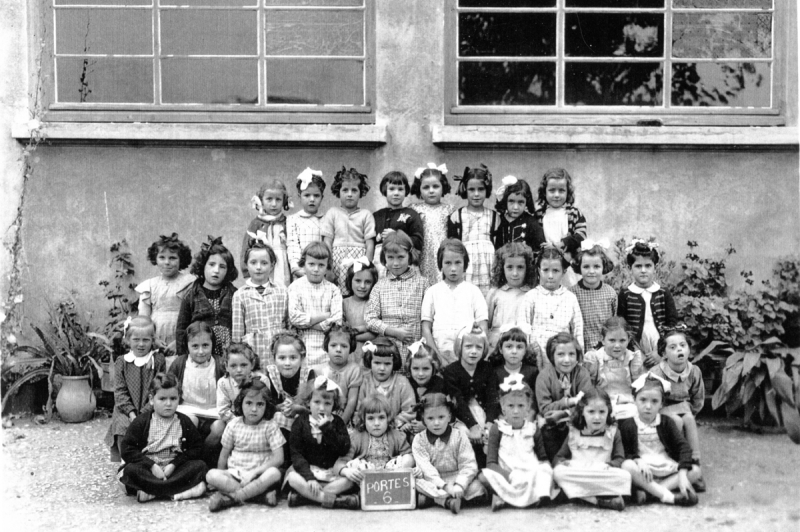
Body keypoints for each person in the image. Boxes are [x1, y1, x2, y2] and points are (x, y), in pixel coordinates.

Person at [118, 373, 207, 503]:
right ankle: (178, 492)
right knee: (130, 471)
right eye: (162, 399)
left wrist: (174, 464)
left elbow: (197, 448)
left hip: (174, 469)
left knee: (200, 466)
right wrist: (152, 466)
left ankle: (153, 492)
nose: (168, 404)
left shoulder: (184, 421)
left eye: (173, 398)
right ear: (151, 399)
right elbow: (127, 449)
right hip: (149, 469)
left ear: (179, 399)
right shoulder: (141, 422)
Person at [619, 373, 700, 506]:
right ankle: (668, 496)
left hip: (665, 466)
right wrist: (637, 459)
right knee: (627, 465)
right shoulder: (628, 424)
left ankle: (649, 493)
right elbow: (625, 451)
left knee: (695, 471)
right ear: (634, 400)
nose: (648, 406)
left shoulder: (666, 422)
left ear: (662, 403)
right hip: (644, 470)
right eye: (643, 400)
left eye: (654, 401)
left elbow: (683, 447)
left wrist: (682, 474)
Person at [205, 379, 285, 511]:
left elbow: (278, 458)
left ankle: (233, 498)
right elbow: (224, 455)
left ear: (267, 406)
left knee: (274, 473)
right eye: (248, 403)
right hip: (236, 476)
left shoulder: (270, 425)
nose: (254, 409)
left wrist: (254, 473)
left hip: (260, 475)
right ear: (240, 403)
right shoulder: (234, 424)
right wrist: (221, 477)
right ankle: (259, 496)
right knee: (211, 475)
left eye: (260, 404)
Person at [479, 377, 553, 510]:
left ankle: (535, 497)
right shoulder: (498, 429)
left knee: (545, 469)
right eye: (510, 406)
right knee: (484, 476)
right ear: (503, 408)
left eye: (521, 406)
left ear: (528, 408)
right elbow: (491, 463)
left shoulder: (532, 429)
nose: (516, 411)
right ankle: (503, 496)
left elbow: (542, 457)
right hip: (508, 474)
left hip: (529, 472)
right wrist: (510, 476)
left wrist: (546, 470)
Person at [552, 388, 632, 511]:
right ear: (582, 411)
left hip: (601, 473)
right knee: (558, 472)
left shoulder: (613, 432)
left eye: (602, 412)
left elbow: (620, 458)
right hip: (579, 472)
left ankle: (576, 494)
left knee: (625, 476)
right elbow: (559, 457)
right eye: (591, 412)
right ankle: (597, 500)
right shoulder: (574, 431)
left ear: (608, 411)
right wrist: (564, 463)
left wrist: (609, 465)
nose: (597, 417)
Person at [285, 376, 359, 509]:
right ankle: (336, 502)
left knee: (350, 481)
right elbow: (297, 455)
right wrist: (309, 478)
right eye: (316, 402)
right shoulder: (300, 423)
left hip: (332, 474)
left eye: (327, 403)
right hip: (309, 473)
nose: (321, 408)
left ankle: (307, 497)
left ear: (334, 405)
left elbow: (344, 448)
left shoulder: (337, 422)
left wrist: (327, 429)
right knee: (292, 477)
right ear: (308, 402)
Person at [651, 327, 706, 491]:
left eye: (683, 345)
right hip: (664, 407)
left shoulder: (694, 371)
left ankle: (695, 463)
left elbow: (698, 397)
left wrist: (692, 412)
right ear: (664, 353)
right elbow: (653, 398)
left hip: (685, 406)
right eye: (672, 347)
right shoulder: (657, 372)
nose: (679, 350)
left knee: (688, 419)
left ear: (689, 349)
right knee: (676, 421)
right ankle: (677, 461)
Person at [105, 316, 167, 462]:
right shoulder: (122, 362)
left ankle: (148, 460)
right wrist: (132, 413)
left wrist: (144, 412)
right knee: (122, 425)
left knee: (152, 426)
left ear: (153, 340)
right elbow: (120, 391)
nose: (141, 344)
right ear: (127, 340)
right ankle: (126, 461)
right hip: (126, 409)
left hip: (150, 408)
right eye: (136, 339)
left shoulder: (157, 360)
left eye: (146, 340)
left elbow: (158, 389)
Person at [412, 393, 486, 514]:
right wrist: (446, 487)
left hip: (457, 477)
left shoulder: (459, 436)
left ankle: (436, 499)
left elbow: (468, 464)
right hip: (434, 481)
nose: (436, 423)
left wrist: (460, 485)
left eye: (441, 417)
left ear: (449, 416)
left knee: (477, 487)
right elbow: (426, 469)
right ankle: (447, 500)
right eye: (430, 418)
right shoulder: (419, 440)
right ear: (423, 418)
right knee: (416, 481)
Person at [421, 239, 489, 366]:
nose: (453, 268)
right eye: (447, 263)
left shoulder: (473, 291)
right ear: (440, 265)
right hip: (439, 354)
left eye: (458, 262)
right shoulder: (432, 292)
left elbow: (482, 325)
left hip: (468, 355)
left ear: (465, 264)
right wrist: (438, 358)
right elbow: (426, 328)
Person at [365, 230, 429, 359]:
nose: (395, 263)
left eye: (400, 257)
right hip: (388, 355)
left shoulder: (423, 284)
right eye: (390, 258)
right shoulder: (379, 287)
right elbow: (370, 319)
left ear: (409, 256)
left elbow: (429, 318)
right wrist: (393, 331)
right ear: (384, 257)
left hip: (415, 354)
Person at [442, 323, 499, 467]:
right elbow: (458, 401)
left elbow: (493, 398)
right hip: (462, 417)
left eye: (478, 347)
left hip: (486, 415)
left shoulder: (487, 368)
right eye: (468, 347)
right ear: (460, 347)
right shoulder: (451, 371)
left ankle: (489, 468)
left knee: (492, 435)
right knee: (464, 436)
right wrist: (473, 426)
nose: (473, 351)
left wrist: (490, 423)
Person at [516, 246, 585, 363]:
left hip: (564, 357)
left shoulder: (570, 298)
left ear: (563, 271)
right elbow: (523, 328)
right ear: (538, 270)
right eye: (546, 270)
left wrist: (579, 360)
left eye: (555, 271)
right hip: (536, 358)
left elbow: (578, 331)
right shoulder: (531, 296)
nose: (550, 276)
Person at [617, 240, 679, 367]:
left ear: (655, 268)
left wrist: (661, 351)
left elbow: (672, 324)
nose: (643, 270)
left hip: (660, 346)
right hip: (635, 347)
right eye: (638, 266)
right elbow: (622, 325)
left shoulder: (663, 293)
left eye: (648, 266)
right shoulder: (626, 294)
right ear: (630, 269)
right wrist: (632, 349)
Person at [136, 233, 194, 367]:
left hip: (181, 337)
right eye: (162, 257)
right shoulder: (149, 286)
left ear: (181, 260)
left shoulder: (189, 283)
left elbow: (194, 317)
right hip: (156, 339)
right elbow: (143, 320)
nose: (167, 262)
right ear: (155, 259)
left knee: (180, 371)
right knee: (158, 374)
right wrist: (152, 339)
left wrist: (180, 341)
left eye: (172, 258)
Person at [176, 235, 237, 361]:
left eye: (222, 266)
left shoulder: (235, 294)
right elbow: (181, 328)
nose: (216, 270)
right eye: (211, 265)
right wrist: (182, 358)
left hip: (228, 354)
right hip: (200, 353)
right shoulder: (191, 295)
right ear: (202, 266)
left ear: (228, 270)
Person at [231, 237, 288, 369]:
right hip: (253, 352)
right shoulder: (240, 295)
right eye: (253, 262)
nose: (258, 267)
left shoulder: (282, 292)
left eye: (264, 263)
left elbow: (289, 326)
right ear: (246, 264)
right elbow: (237, 334)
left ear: (272, 265)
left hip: (279, 352)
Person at [535, 332, 593, 462]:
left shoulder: (582, 374)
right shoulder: (544, 377)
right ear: (552, 356)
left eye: (571, 354)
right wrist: (568, 402)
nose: (567, 360)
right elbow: (545, 408)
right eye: (561, 354)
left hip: (577, 420)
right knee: (547, 429)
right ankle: (555, 463)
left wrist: (564, 413)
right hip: (553, 425)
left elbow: (587, 403)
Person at [336, 393, 415, 487]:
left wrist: (405, 463)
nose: (376, 423)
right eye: (370, 418)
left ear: (388, 419)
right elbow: (341, 462)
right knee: (353, 467)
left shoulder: (397, 436)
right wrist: (346, 471)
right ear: (363, 420)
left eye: (381, 417)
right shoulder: (357, 437)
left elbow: (410, 456)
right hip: (365, 479)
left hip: (391, 478)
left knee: (408, 458)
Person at [288, 241, 343, 368]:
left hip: (326, 350)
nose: (316, 269)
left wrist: (307, 323)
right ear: (304, 264)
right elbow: (294, 317)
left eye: (321, 265)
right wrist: (324, 316)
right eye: (311, 264)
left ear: (327, 266)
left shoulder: (333, 290)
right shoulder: (295, 287)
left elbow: (336, 321)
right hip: (301, 348)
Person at [321, 166, 376, 295]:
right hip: (336, 262)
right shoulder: (332, 213)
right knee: (335, 293)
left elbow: (370, 244)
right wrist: (328, 267)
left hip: (358, 262)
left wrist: (365, 267)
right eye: (345, 190)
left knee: (356, 292)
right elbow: (327, 242)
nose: (349, 194)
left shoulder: (366, 215)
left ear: (361, 192)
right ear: (338, 191)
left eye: (354, 190)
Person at [447, 164, 498, 296]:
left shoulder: (494, 216)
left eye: (480, 189)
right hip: (466, 264)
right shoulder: (456, 216)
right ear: (465, 189)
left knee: (487, 297)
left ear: (487, 190)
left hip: (487, 265)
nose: (476, 194)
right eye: (471, 189)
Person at [168, 322, 225, 438]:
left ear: (212, 344)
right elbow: (167, 387)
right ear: (187, 346)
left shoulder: (219, 363)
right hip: (187, 410)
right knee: (190, 422)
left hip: (214, 411)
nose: (200, 351)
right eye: (195, 346)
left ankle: (205, 452)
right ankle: (192, 453)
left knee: (219, 428)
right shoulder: (180, 363)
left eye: (205, 345)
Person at [532, 168, 588, 287]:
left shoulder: (574, 213)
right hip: (547, 266)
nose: (556, 195)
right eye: (552, 190)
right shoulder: (539, 215)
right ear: (544, 192)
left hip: (568, 264)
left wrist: (561, 244)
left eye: (561, 190)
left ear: (568, 192)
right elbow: (535, 241)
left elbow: (581, 236)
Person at [583, 317, 644, 420]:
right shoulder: (595, 359)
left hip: (627, 404)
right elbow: (590, 388)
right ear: (603, 340)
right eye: (612, 340)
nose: (617, 345)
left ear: (628, 340)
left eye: (622, 341)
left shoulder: (631, 359)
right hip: (602, 405)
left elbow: (638, 387)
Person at [209, 342, 265, 447]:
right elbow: (223, 410)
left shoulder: (262, 380)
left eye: (243, 365)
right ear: (226, 366)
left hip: (257, 419)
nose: (239, 370)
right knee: (218, 427)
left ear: (252, 364)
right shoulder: (224, 383)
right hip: (233, 420)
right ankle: (206, 456)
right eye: (233, 366)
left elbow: (265, 406)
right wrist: (241, 423)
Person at [486, 242, 537, 351]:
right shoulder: (495, 293)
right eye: (509, 267)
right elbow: (487, 324)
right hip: (496, 347)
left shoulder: (532, 295)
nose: (515, 273)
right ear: (501, 268)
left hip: (521, 347)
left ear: (527, 268)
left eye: (520, 267)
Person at [356, 337, 415, 430]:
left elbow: (410, 410)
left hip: (395, 429)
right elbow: (359, 409)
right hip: (371, 429)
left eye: (387, 364)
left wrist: (393, 423)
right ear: (369, 361)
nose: (382, 368)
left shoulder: (402, 382)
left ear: (394, 362)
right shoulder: (366, 381)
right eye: (377, 363)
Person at [373, 170, 424, 278]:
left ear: (406, 191)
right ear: (384, 190)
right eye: (391, 189)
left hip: (404, 263)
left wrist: (397, 236)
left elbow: (418, 240)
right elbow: (369, 240)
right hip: (380, 263)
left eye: (400, 189)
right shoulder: (377, 216)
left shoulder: (411, 214)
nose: (396, 193)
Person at [568, 240, 617, 350]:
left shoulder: (610, 293)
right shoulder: (572, 294)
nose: (591, 271)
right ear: (579, 267)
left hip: (605, 349)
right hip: (580, 348)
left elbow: (614, 323)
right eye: (586, 267)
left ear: (603, 267)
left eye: (596, 266)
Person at [241, 178, 291, 286]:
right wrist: (247, 273)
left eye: (278, 199)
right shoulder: (256, 224)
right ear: (261, 200)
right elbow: (246, 249)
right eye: (269, 199)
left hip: (283, 267)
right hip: (262, 265)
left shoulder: (288, 223)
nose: (274, 204)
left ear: (284, 201)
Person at [411, 162, 454, 286]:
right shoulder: (414, 209)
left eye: (435, 186)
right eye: (426, 187)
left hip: (443, 253)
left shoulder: (449, 210)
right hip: (424, 255)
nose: (431, 191)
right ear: (419, 188)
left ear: (443, 187)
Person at [492, 176, 545, 274]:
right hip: (504, 269)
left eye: (520, 202)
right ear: (505, 201)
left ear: (526, 203)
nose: (515, 207)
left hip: (524, 270)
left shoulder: (531, 222)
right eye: (511, 201)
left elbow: (539, 249)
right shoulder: (499, 221)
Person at [287, 167, 326, 281]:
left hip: (321, 271)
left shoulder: (326, 219)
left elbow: (328, 246)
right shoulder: (293, 220)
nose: (312, 199)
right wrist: (297, 269)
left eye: (316, 195)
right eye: (307, 195)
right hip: (301, 273)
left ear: (322, 197)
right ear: (300, 196)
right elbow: (293, 245)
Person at [487, 326, 538, 411]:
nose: (514, 351)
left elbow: (534, 403)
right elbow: (493, 403)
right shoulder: (495, 373)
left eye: (519, 347)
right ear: (500, 349)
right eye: (509, 346)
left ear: (525, 350)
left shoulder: (532, 372)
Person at [320, 325, 363, 426]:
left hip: (345, 417)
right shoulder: (321, 370)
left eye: (344, 346)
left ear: (351, 348)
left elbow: (352, 400)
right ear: (327, 346)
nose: (338, 349)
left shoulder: (354, 370)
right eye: (333, 345)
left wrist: (341, 424)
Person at [341, 258, 378, 367]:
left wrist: (353, 337)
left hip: (367, 353)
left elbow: (374, 333)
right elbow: (341, 329)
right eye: (358, 281)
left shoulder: (373, 303)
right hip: (347, 352)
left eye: (367, 282)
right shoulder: (343, 303)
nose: (362, 286)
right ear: (350, 280)